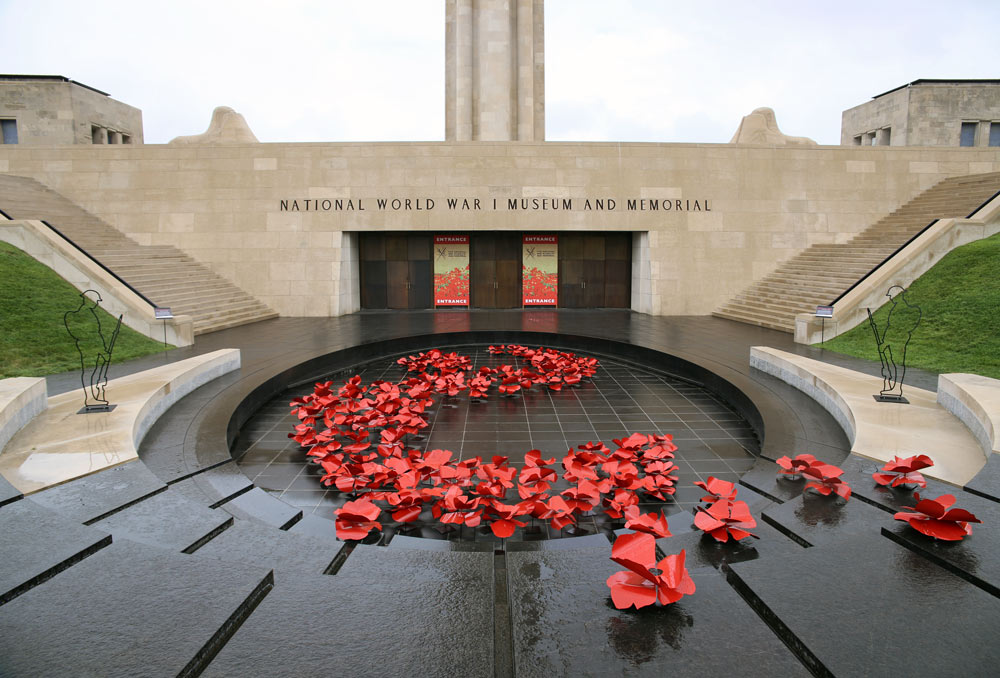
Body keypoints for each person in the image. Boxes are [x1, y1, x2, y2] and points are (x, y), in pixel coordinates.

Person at [64, 290, 121, 409]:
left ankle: (96, 396)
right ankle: (90, 398)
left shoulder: (92, 313)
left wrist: (104, 349)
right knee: (89, 373)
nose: (97, 303)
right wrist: (99, 348)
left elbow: (97, 334)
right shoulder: (73, 315)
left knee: (98, 373)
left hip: (99, 348)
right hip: (87, 349)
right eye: (96, 301)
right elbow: (82, 335)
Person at [867, 285, 921, 400]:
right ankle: (893, 386)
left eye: (891, 296)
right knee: (891, 363)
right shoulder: (895, 308)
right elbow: (891, 327)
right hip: (889, 341)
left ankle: (897, 388)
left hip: (898, 342)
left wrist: (886, 342)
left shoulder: (908, 310)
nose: (890, 298)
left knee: (897, 363)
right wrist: (885, 342)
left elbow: (900, 328)